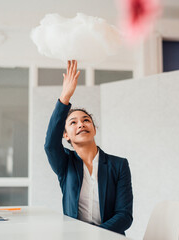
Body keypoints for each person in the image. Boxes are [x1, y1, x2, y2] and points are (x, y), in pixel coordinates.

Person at [44, 60, 133, 235]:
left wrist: (96, 236)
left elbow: (124, 215)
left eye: (86, 120)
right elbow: (50, 145)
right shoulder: (65, 164)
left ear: (94, 128)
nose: (81, 124)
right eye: (73, 122)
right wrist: (65, 98)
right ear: (66, 135)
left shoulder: (119, 165)